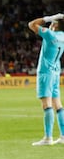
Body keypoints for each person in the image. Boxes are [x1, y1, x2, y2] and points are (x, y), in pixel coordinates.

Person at [28, 13, 64, 146]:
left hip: (45, 72)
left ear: (55, 25)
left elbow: (31, 24)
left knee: (47, 104)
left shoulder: (51, 35)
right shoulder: (63, 37)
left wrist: (48, 18)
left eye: (52, 23)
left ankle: (48, 138)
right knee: (58, 105)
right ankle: (63, 135)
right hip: (56, 71)